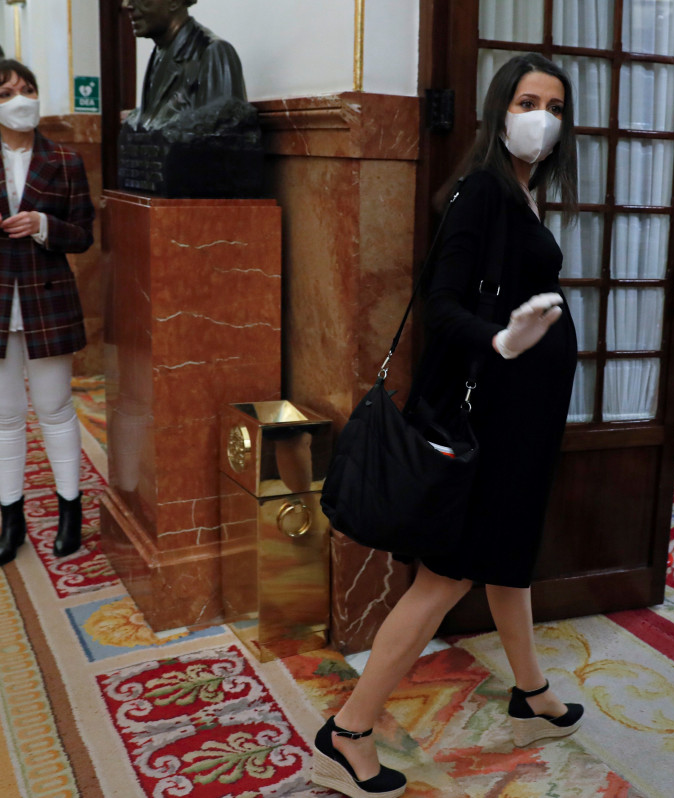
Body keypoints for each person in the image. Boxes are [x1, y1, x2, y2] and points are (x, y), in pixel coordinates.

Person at [310, 52, 582, 798]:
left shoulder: (522, 193)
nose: (543, 118)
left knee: (507, 556)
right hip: (488, 417)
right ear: (500, 110)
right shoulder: (482, 192)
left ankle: (530, 693)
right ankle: (348, 732)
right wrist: (499, 341)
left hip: (522, 417)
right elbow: (440, 304)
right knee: (444, 577)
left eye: (556, 107)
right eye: (530, 101)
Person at [0, 60, 95, 565]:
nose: (21, 98)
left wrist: (42, 224)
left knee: (55, 409)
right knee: (5, 417)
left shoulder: (65, 159)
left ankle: (69, 512)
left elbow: (83, 235)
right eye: (7, 91)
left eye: (28, 88)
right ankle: (9, 520)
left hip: (48, 298)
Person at [120, 0, 247, 131]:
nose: (127, 5)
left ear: (174, 2)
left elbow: (225, 138)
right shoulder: (158, 55)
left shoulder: (212, 53)